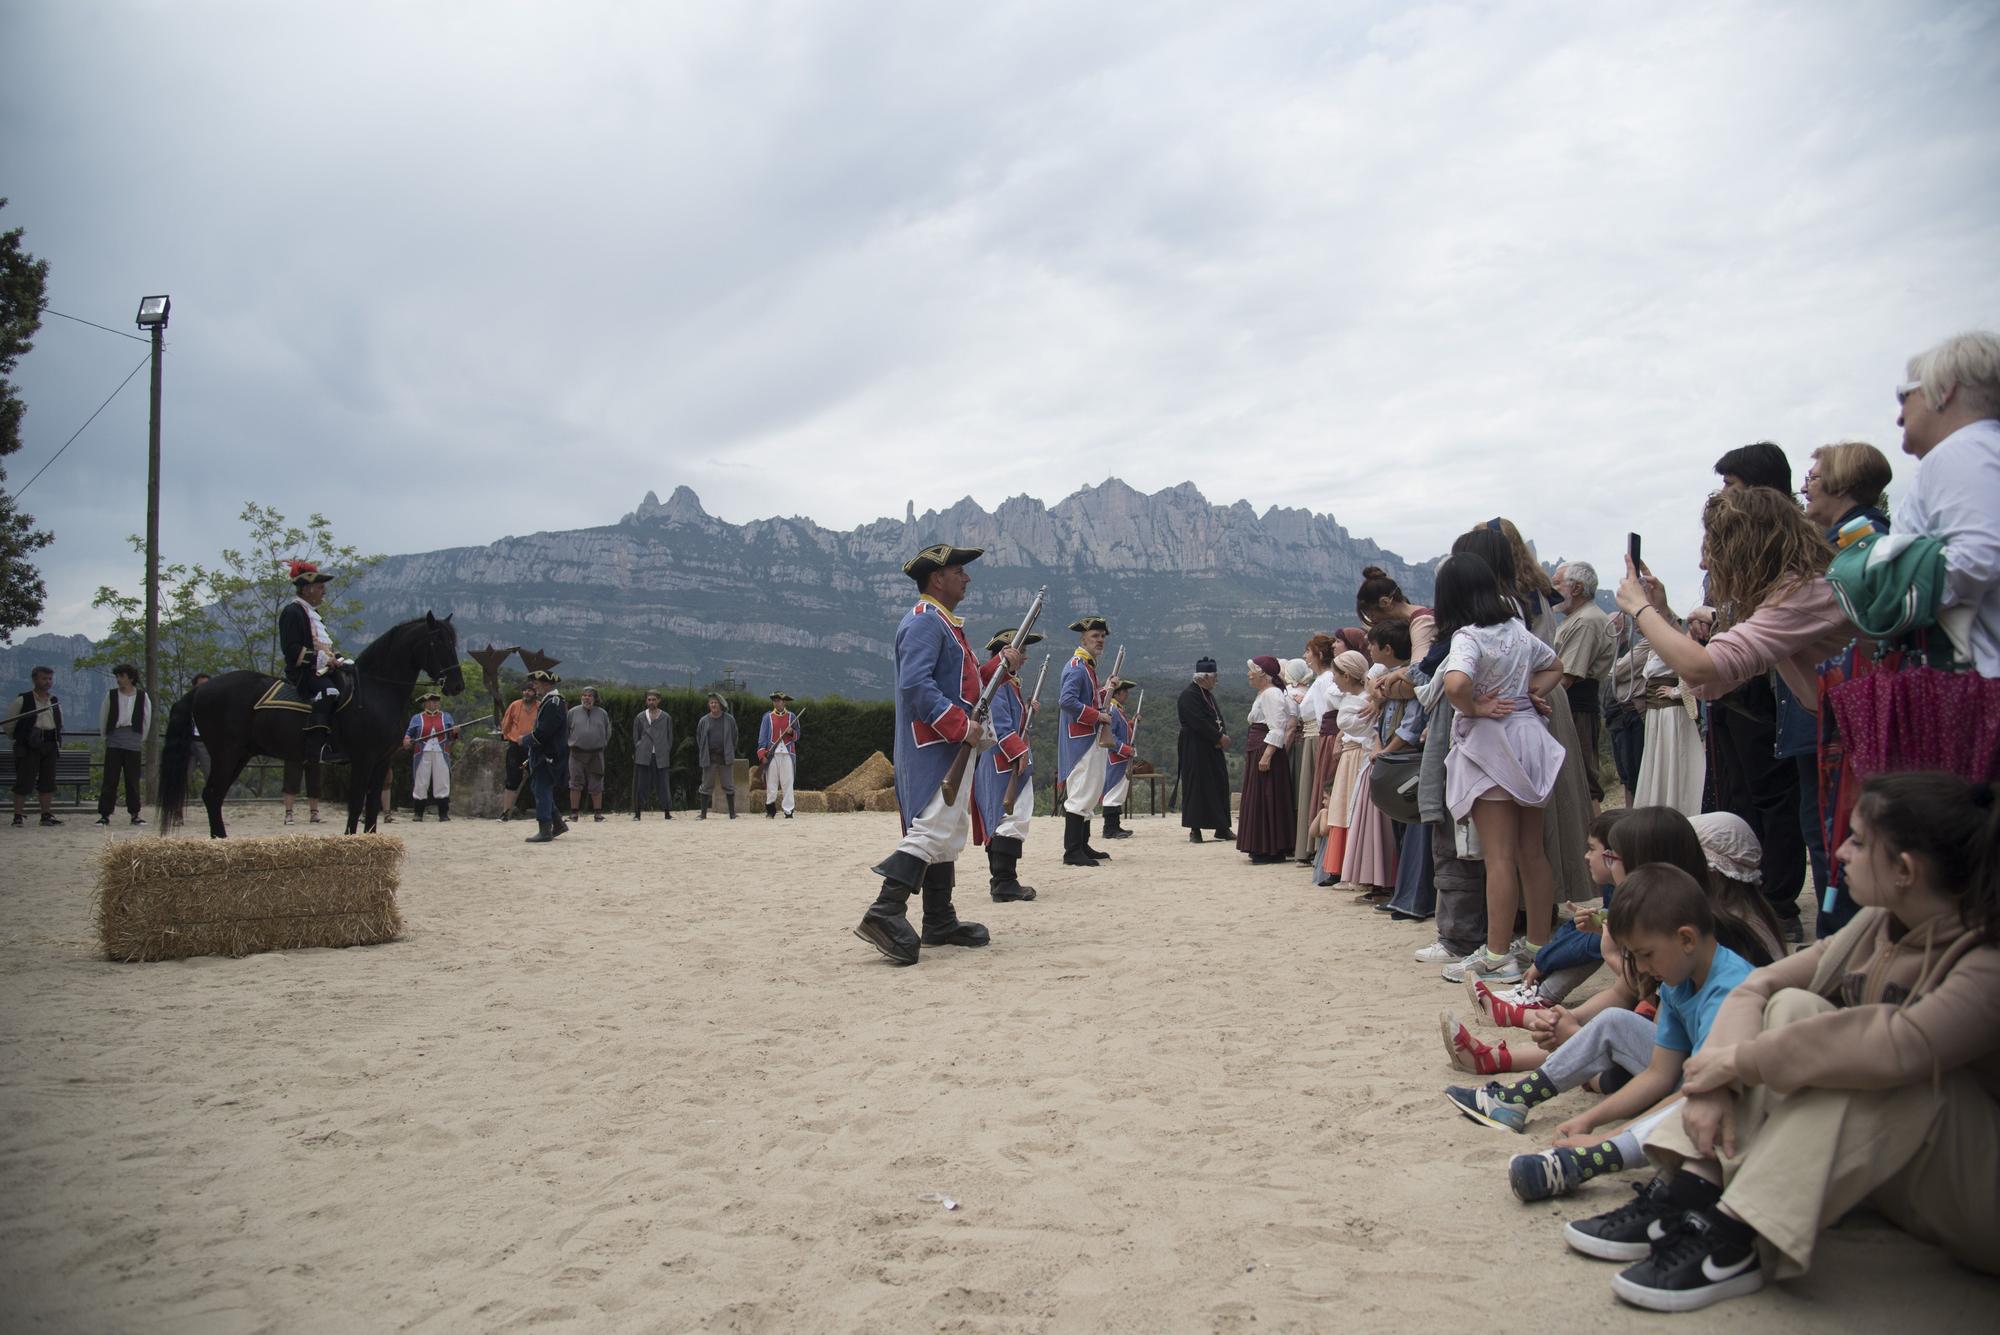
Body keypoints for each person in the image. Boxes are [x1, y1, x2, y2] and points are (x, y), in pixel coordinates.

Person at [1582, 772, 2000, 1313]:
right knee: (1792, 1007)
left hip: (1979, 1202)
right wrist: (1717, 1082)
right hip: (1907, 1180)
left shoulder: (1986, 958)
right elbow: (1762, 983)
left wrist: (1740, 1061)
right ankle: (1694, 1188)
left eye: (1858, 840)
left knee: (1896, 1075)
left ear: (1904, 870)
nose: (1841, 852)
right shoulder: (1880, 923)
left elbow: (1901, 1045)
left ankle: (1737, 1236)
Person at [1619, 486, 1853, 933]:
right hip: (1843, 734)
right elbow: (1712, 681)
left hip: (1859, 740)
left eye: (1713, 550)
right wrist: (1665, 615)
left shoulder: (1802, 593)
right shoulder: (1789, 594)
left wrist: (1642, 609)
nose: (1706, 564)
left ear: (1744, 547)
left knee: (1847, 865)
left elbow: (1704, 669)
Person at [854, 543, 1022, 965]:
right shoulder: (926, 623)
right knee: (932, 827)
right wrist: (961, 726)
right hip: (936, 746)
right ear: (937, 579)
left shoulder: (944, 625)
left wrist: (998, 668)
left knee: (947, 830)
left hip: (951, 744)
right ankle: (885, 910)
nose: (966, 578)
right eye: (959, 571)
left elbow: (961, 688)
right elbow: (917, 687)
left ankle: (939, 919)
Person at [1435, 554, 1567, 983]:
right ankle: (1537, 947)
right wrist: (1531, 692)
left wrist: (1474, 705)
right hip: (1529, 736)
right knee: (1533, 851)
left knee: (1499, 858)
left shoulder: (1467, 638)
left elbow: (1455, 684)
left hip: (1493, 743)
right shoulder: (1517, 629)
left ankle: (1496, 955)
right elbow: (1555, 665)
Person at [1894, 331, 2000, 677]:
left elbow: (1978, 555)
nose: (1899, 417)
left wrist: (1887, 589)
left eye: (1904, 396)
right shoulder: (1985, 449)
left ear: (1946, 389)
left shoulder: (1960, 451)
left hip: (1979, 681)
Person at [973, 626, 1042, 902]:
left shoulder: (1008, 684)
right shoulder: (999, 685)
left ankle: (1003, 880)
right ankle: (1004, 881)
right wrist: (1019, 752)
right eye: (1021, 650)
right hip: (1004, 761)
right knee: (1011, 818)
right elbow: (1000, 726)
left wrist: (1026, 710)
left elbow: (1012, 722)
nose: (1024, 657)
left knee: (1008, 818)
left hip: (1005, 759)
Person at [1553, 562, 1616, 812]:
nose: (1552, 589)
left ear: (1576, 588)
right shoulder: (1576, 619)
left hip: (1575, 707)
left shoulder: (1587, 620)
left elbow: (1566, 676)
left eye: (1557, 583)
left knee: (1582, 777)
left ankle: (1594, 841)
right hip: (1570, 705)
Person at [1057, 616, 1116, 867]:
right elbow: (1067, 701)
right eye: (1095, 636)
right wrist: (1098, 715)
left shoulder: (1087, 667)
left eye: (1102, 636)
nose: (1100, 640)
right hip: (1080, 739)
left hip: (1089, 737)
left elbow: (1088, 699)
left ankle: (1082, 844)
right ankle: (1072, 851)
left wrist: (1104, 690)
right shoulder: (1077, 666)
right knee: (1081, 793)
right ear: (1083, 638)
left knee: (1089, 791)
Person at [277, 559, 348, 761]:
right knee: (329, 691)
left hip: (320, 669)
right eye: (320, 587)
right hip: (304, 673)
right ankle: (315, 746)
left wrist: (338, 659)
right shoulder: (292, 612)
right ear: (307, 589)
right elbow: (292, 650)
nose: (323, 591)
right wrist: (324, 660)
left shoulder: (312, 614)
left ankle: (338, 741)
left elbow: (324, 648)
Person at [1313, 651, 1372, 886]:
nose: (1333, 679)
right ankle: (1338, 866)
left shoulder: (1367, 700)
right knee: (1340, 809)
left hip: (1359, 754)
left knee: (1352, 809)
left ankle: (1352, 867)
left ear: (1346, 675)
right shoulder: (1356, 697)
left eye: (1336, 674)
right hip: (1350, 753)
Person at [1236, 655, 1296, 865]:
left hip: (1264, 749)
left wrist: (1268, 754)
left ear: (1263, 673)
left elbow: (1277, 727)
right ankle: (1263, 845)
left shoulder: (1272, 694)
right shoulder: (1265, 693)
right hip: (1258, 747)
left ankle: (1269, 847)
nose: (1249, 675)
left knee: (1267, 796)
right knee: (1261, 796)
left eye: (1252, 670)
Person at [1175, 658, 1233, 843]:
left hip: (1212, 747)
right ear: (1205, 677)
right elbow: (1197, 722)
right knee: (1197, 785)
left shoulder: (1206, 693)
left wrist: (1221, 735)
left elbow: (1216, 718)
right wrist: (1218, 737)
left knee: (1219, 783)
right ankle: (1195, 829)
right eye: (1214, 677)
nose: (1216, 680)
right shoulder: (1188, 695)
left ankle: (1222, 827)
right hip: (1195, 748)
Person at [1292, 635, 1339, 863]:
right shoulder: (1321, 680)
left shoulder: (1325, 680)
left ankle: (1315, 847)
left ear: (1319, 654)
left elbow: (1324, 716)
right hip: (1315, 737)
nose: (1305, 656)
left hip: (1319, 738)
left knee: (1319, 790)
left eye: (1308, 651)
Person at [95, 664, 149, 826]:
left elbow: (146, 718)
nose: (119, 680)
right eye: (117, 677)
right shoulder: (111, 695)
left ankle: (134, 813)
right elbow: (104, 716)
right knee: (110, 779)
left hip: (133, 737)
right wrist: (106, 736)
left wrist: (140, 738)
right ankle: (105, 814)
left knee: (132, 780)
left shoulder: (142, 696)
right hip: (115, 738)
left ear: (131, 678)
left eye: (122, 676)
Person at [521, 670, 569, 844]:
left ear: (547, 684)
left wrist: (524, 740)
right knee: (539, 788)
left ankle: (545, 829)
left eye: (537, 684)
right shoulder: (550, 701)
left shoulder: (554, 702)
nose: (535, 687)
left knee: (542, 790)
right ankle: (557, 824)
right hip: (544, 753)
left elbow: (544, 732)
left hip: (548, 755)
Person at [10, 665, 62, 827]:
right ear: (35, 679)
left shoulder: (53, 700)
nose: (47, 682)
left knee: (48, 782)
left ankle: (46, 815)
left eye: (49, 679)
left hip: (49, 743)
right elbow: (10, 724)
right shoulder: (23, 699)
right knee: (24, 781)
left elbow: (58, 722)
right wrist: (21, 738)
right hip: (29, 745)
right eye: (44, 678)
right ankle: (18, 815)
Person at [404, 690, 459, 820]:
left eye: (436, 701)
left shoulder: (446, 717)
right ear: (426, 704)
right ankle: (418, 813)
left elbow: (452, 736)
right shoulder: (417, 718)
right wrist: (406, 739)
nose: (434, 704)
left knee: (442, 781)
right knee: (421, 781)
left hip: (441, 751)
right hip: (422, 752)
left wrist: (455, 732)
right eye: (431, 702)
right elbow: (409, 733)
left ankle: (443, 813)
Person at [565, 686, 612, 822]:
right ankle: (574, 814)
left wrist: (601, 743)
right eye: (584, 695)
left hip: (596, 753)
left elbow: (607, 731)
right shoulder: (572, 712)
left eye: (590, 695)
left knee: (597, 783)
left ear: (595, 698)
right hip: (576, 753)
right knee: (575, 782)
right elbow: (567, 730)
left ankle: (598, 814)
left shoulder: (602, 713)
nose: (586, 698)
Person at [632, 689, 675, 820]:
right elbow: (636, 736)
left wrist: (666, 749)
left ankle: (667, 812)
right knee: (641, 785)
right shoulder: (640, 717)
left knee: (663, 785)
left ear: (659, 700)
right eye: (649, 699)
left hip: (661, 755)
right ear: (646, 701)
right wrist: (640, 747)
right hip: (644, 755)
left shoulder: (666, 717)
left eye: (654, 699)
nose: (651, 702)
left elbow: (670, 736)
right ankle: (637, 813)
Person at [757, 692, 801, 819]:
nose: (776, 702)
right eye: (774, 700)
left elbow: (798, 735)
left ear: (784, 702)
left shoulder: (792, 717)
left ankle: (788, 811)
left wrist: (791, 731)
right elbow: (762, 737)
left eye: (779, 700)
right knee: (771, 782)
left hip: (787, 753)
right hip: (772, 754)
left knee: (788, 782)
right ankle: (770, 809)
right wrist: (762, 754)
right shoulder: (767, 717)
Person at [694, 694, 738, 819]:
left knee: (728, 785)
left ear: (721, 705)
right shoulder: (703, 720)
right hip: (709, 758)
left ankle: (732, 814)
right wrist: (704, 751)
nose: (713, 705)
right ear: (709, 705)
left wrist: (729, 750)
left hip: (725, 757)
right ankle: (703, 814)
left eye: (716, 703)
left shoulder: (729, 719)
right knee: (706, 785)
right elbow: (699, 737)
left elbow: (735, 736)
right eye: (711, 703)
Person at [499, 683, 537, 822]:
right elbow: (506, 724)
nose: (527, 693)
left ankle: (541, 809)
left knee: (537, 777)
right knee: (512, 779)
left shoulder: (540, 706)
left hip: (533, 747)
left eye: (530, 691)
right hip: (515, 747)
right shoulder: (515, 705)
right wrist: (509, 738)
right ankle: (505, 812)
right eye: (525, 690)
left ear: (535, 693)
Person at [186, 672, 212, 797]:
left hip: (205, 742)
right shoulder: (186, 703)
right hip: (188, 741)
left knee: (210, 774)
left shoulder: (214, 704)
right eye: (201, 685)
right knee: (184, 775)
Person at [282, 757, 322, 827]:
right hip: (293, 752)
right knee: (290, 782)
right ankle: (288, 813)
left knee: (314, 783)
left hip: (312, 752)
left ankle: (314, 813)